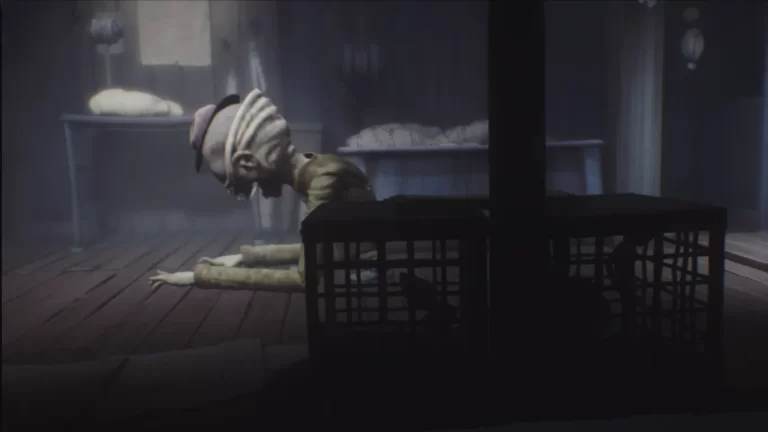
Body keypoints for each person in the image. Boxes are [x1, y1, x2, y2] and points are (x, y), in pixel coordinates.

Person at [149, 89, 376, 291]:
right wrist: (244, 258)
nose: (251, 190)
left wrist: (201, 276)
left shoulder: (322, 184)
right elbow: (320, 249)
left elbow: (305, 278)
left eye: (247, 183)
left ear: (248, 162)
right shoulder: (318, 169)